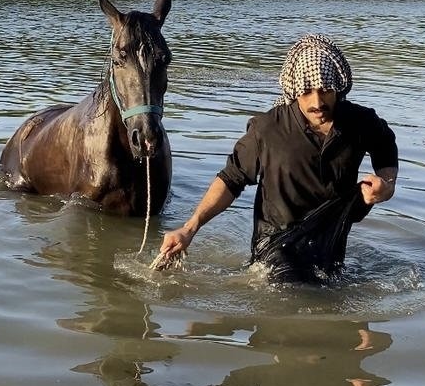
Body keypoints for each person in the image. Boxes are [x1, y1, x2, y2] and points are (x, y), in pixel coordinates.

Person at [159, 34, 398, 281]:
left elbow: (385, 143)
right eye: (306, 92)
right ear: (294, 91)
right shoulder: (268, 129)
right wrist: (188, 230)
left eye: (325, 90)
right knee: (294, 294)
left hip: (331, 242)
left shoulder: (360, 123)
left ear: (337, 87)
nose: (317, 102)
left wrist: (386, 184)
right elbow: (231, 179)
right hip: (275, 246)